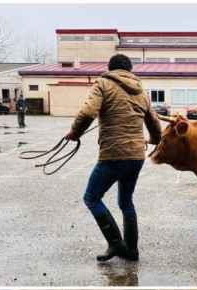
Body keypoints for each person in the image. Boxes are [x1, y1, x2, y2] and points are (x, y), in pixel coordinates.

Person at [64, 53, 161, 262]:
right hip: (136, 156)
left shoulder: (103, 83)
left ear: (111, 68)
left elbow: (87, 113)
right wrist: (153, 140)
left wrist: (75, 133)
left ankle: (116, 243)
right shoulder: (141, 91)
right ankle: (132, 250)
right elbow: (154, 123)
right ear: (129, 70)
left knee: (91, 197)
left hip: (113, 154)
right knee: (126, 202)